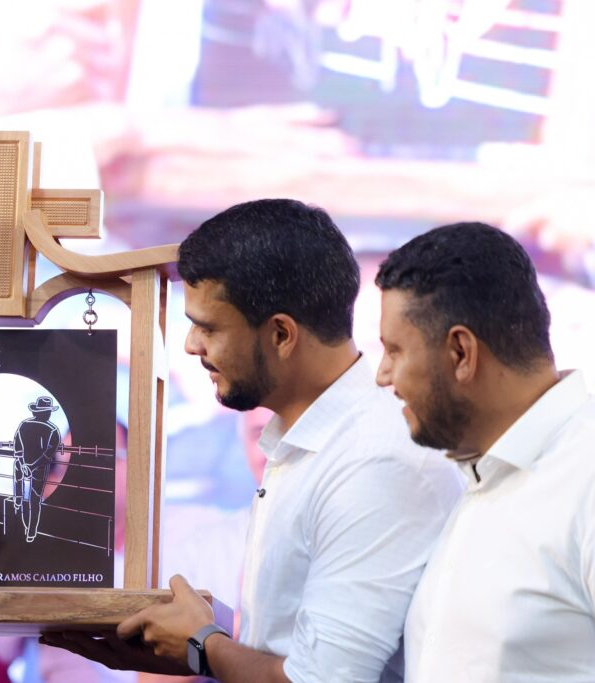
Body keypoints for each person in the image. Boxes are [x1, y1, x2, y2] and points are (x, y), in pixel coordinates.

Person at [45, 199, 462, 682]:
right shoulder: (306, 446)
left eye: (208, 327)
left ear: (281, 334)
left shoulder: (375, 460)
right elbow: (286, 646)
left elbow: (322, 679)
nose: (191, 345)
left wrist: (203, 646)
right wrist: (189, 647)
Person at [374, 222, 595, 682]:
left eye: (394, 351)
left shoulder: (584, 476)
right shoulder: (485, 473)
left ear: (461, 353)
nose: (382, 375)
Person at [13, 396, 62, 543]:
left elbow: (17, 447)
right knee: (35, 500)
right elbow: (48, 454)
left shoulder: (23, 424)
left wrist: (23, 463)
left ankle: (17, 506)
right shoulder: (53, 430)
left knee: (18, 484)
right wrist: (31, 466)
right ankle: (31, 532)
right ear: (47, 412)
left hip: (21, 464)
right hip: (39, 468)